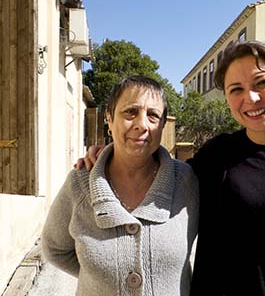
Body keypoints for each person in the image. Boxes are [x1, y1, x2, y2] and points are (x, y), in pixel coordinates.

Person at [78, 40, 265, 296]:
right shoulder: (217, 156)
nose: (251, 98)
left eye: (261, 83)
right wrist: (110, 156)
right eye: (236, 89)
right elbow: (158, 173)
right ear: (227, 99)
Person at [41, 75, 199, 296]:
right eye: (130, 112)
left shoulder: (187, 181)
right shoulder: (79, 184)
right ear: (109, 117)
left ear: (163, 125)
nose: (141, 124)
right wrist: (100, 279)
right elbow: (54, 249)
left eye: (153, 115)